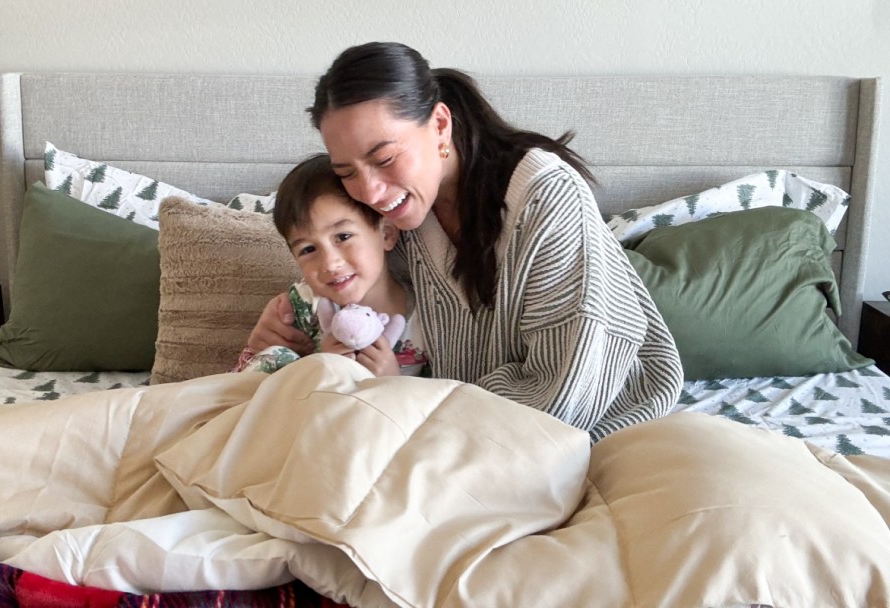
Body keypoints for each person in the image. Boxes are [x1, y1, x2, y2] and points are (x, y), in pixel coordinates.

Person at [247, 42, 683, 442]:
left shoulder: (545, 197)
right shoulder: (399, 216)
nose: (371, 192)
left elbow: (567, 384)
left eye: (384, 159)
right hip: (446, 423)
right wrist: (290, 325)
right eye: (346, 172)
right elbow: (361, 288)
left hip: (582, 420)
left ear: (439, 124)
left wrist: (422, 411)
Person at [234, 153, 429, 377]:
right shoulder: (304, 306)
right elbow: (249, 372)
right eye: (308, 249)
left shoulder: (427, 316)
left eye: (343, 237)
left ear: (386, 233)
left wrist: (390, 382)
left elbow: (440, 396)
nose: (330, 263)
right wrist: (318, 366)